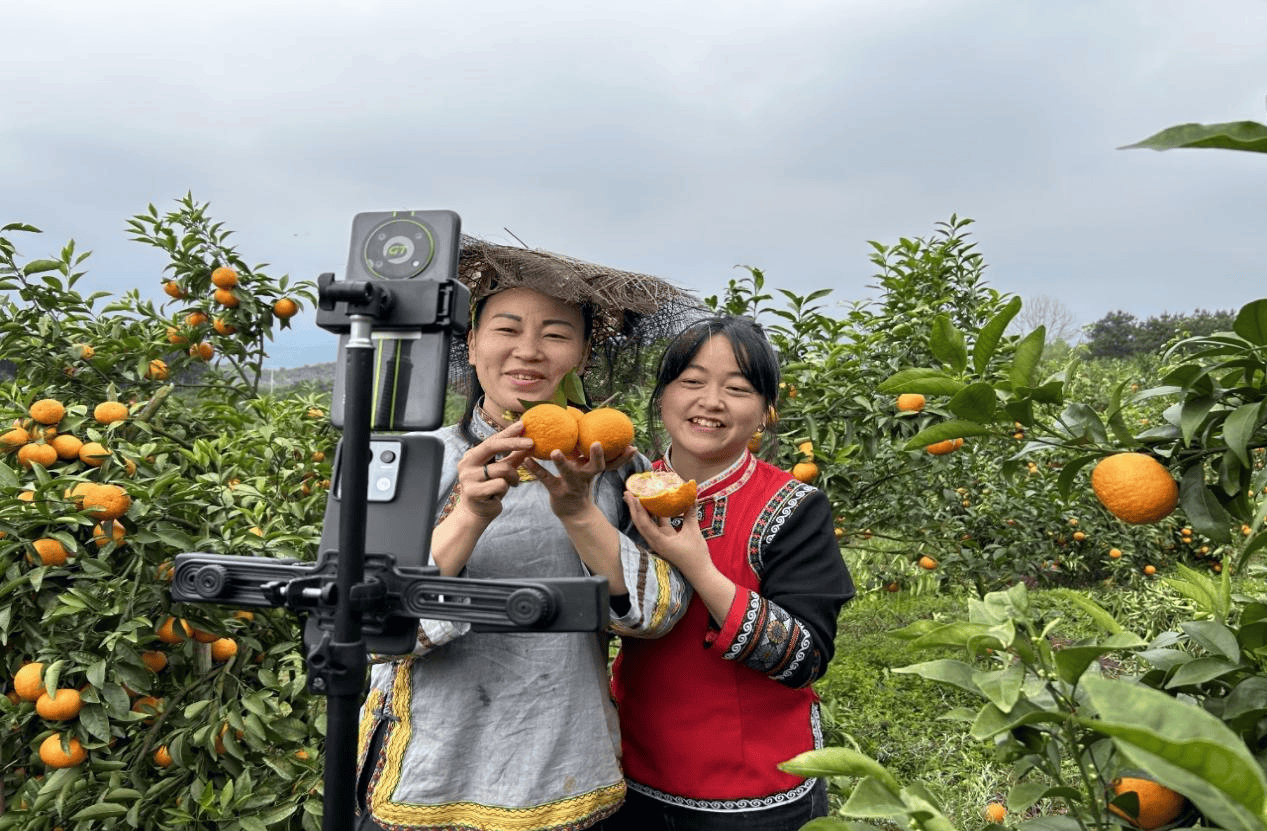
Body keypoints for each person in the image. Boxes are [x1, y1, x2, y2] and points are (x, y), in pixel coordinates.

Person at [354, 239, 697, 831]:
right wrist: (468, 515)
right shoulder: (410, 461)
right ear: (471, 342)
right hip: (430, 767)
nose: (529, 352)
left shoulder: (622, 471)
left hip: (565, 759)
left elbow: (656, 614)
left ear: (585, 353)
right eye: (506, 328)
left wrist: (579, 510)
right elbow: (372, 626)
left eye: (557, 334)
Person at [606, 315, 856, 831]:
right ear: (663, 397)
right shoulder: (622, 490)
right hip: (629, 776)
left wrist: (698, 565)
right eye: (692, 382)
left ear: (766, 412)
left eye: (737, 389)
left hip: (756, 793)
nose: (710, 401)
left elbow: (805, 658)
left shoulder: (792, 507)